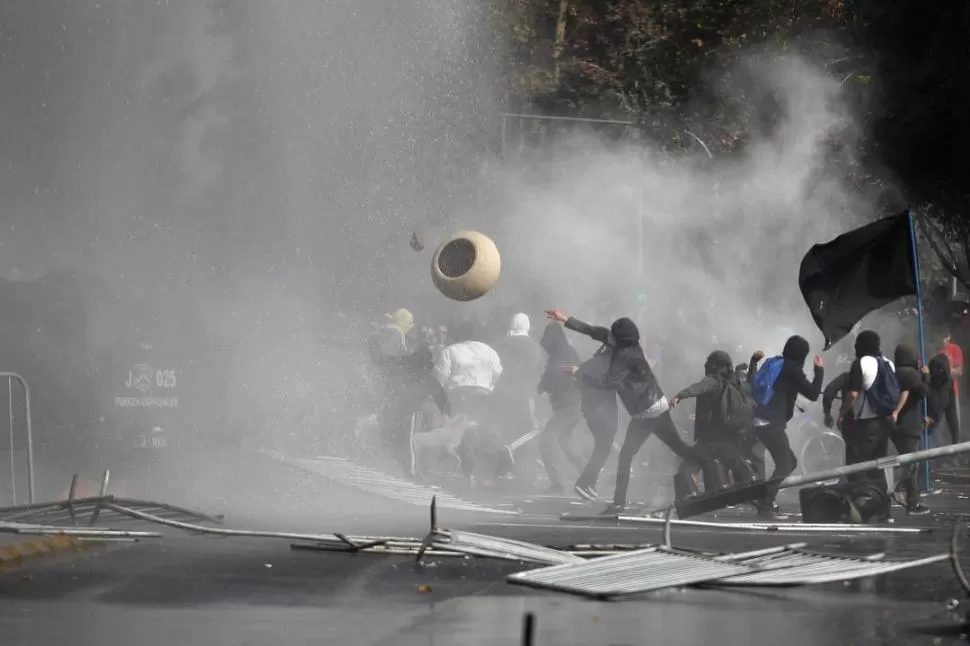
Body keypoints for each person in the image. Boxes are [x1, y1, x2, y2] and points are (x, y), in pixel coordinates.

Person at [546, 309, 715, 515]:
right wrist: (567, 320)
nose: (608, 337)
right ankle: (712, 466)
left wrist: (581, 374)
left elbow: (609, 383)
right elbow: (594, 331)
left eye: (612, 336)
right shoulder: (625, 346)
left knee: (625, 457)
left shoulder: (626, 357)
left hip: (645, 413)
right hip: (658, 405)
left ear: (619, 340)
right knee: (679, 447)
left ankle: (618, 503)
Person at [748, 336, 824, 519]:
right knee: (786, 463)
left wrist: (753, 362)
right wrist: (819, 370)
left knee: (788, 461)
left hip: (760, 419)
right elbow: (813, 393)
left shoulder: (776, 363)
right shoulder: (792, 369)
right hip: (771, 423)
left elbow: (756, 383)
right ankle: (765, 505)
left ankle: (764, 500)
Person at [669, 350, 754, 492]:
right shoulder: (734, 381)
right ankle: (745, 480)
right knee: (730, 458)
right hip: (730, 435)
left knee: (689, 465)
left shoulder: (713, 381)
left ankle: (689, 494)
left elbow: (699, 387)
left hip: (711, 437)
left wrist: (680, 395)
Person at [433, 321, 504, 488]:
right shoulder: (489, 351)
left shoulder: (450, 351)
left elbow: (439, 377)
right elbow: (498, 372)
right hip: (484, 395)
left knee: (464, 432)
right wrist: (488, 385)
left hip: (460, 396)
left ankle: (469, 471)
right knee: (485, 431)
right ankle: (486, 474)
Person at [837, 330, 894, 519]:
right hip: (883, 424)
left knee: (858, 467)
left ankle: (862, 510)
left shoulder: (860, 363)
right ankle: (883, 511)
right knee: (878, 468)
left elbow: (853, 395)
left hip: (864, 423)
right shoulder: (888, 363)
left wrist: (842, 413)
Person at [536, 322, 585, 494]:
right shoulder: (561, 354)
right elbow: (550, 375)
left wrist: (545, 385)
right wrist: (542, 385)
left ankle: (558, 484)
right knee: (566, 442)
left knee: (546, 441)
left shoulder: (566, 354)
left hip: (571, 405)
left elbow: (558, 376)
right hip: (570, 405)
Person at [573, 343, 619, 501]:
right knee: (603, 447)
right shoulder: (614, 365)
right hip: (604, 409)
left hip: (590, 409)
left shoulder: (590, 362)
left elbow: (577, 382)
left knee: (602, 446)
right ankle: (584, 482)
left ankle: (589, 482)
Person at [890, 343, 930, 515]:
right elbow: (924, 391)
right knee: (911, 464)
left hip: (898, 424)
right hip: (909, 426)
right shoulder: (910, 373)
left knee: (910, 462)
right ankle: (911, 500)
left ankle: (901, 490)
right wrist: (926, 376)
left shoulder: (893, 372)